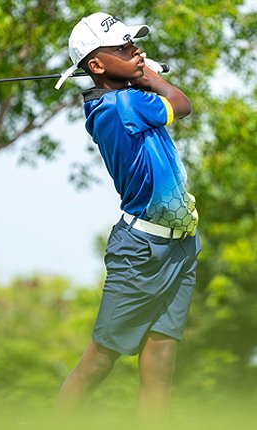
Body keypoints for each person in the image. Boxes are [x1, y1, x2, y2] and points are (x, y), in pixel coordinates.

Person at [55, 12, 201, 423]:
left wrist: (135, 73)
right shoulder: (123, 104)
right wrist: (151, 78)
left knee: (161, 361)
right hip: (142, 252)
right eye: (122, 48)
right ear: (96, 66)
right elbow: (182, 104)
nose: (135, 51)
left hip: (181, 245)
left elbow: (160, 99)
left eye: (133, 44)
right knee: (100, 361)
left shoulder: (120, 96)